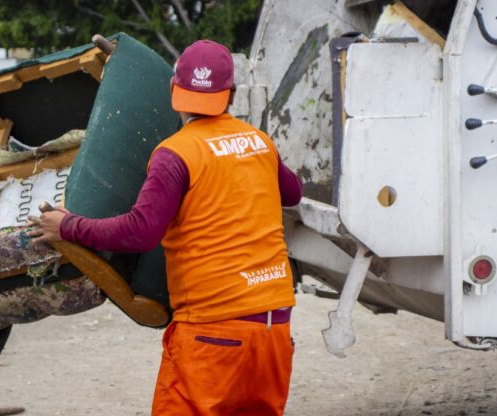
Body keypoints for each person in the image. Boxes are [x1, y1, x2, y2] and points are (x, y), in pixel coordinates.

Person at [29, 40, 302, 415]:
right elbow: (293, 192)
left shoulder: (175, 154)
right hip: (274, 325)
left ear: (174, 89)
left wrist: (68, 227)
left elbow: (140, 231)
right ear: (232, 95)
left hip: (213, 330)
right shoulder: (259, 142)